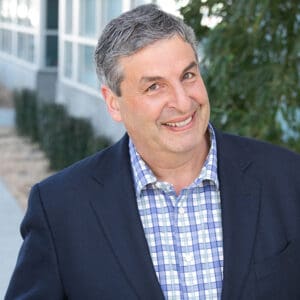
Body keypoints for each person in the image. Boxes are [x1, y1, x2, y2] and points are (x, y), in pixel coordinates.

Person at [5, 4, 300, 300]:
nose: (183, 103)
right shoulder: (60, 208)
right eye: (155, 87)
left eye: (188, 76)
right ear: (113, 103)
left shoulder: (287, 179)